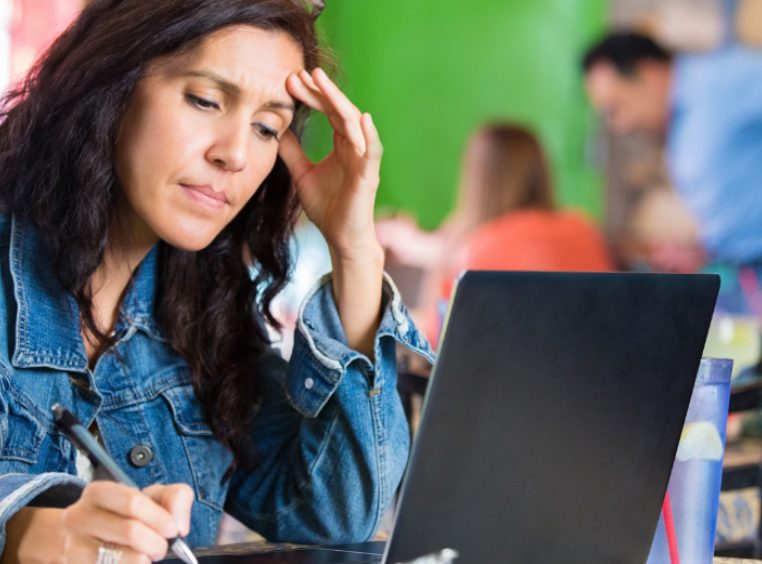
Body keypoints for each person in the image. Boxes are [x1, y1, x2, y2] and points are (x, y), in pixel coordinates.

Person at [0, 1, 432, 562]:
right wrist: (25, 533)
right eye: (205, 100)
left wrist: (354, 249)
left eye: (266, 128)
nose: (233, 154)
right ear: (110, 83)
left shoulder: (199, 316)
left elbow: (340, 511)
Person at [379, 123, 613, 344]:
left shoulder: (480, 245)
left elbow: (436, 334)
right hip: (589, 371)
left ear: (477, 178)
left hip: (509, 377)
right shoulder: (583, 228)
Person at [582, 31, 762, 310]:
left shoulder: (723, 82)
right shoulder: (680, 122)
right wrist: (703, 251)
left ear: (649, 75)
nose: (621, 126)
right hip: (745, 274)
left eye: (617, 108)